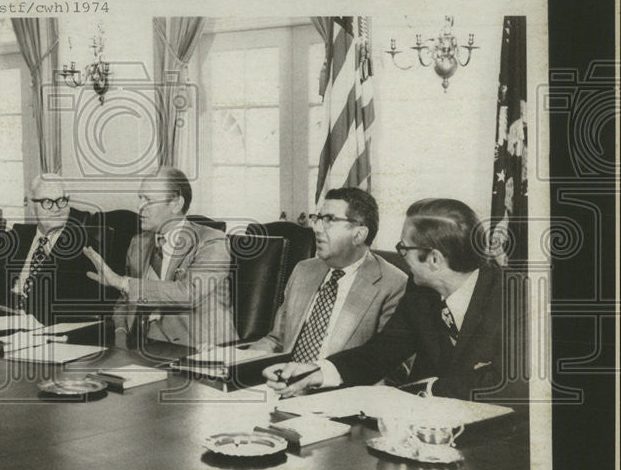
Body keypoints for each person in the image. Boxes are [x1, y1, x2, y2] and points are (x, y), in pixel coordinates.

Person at [265, 198, 522, 401]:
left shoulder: (517, 298)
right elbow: (381, 352)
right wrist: (316, 373)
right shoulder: (420, 291)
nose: (402, 256)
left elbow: (513, 387)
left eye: (404, 248)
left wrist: (429, 390)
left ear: (434, 259)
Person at [85, 166, 237, 349]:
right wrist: (120, 333)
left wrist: (122, 282)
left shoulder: (212, 241)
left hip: (198, 349)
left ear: (176, 204)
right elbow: (125, 300)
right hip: (141, 347)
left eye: (148, 200)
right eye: (140, 198)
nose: (140, 207)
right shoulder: (138, 243)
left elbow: (188, 293)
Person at [251, 188, 407, 359]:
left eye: (329, 220)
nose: (316, 228)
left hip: (342, 384)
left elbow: (391, 365)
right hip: (283, 379)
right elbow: (277, 340)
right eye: (317, 218)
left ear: (359, 234)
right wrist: (241, 360)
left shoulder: (393, 285)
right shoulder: (303, 270)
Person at [0, 174, 108, 324]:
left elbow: (85, 308)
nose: (56, 208)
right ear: (32, 208)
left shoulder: (85, 249)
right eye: (47, 202)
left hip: (46, 331)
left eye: (62, 201)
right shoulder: (13, 239)